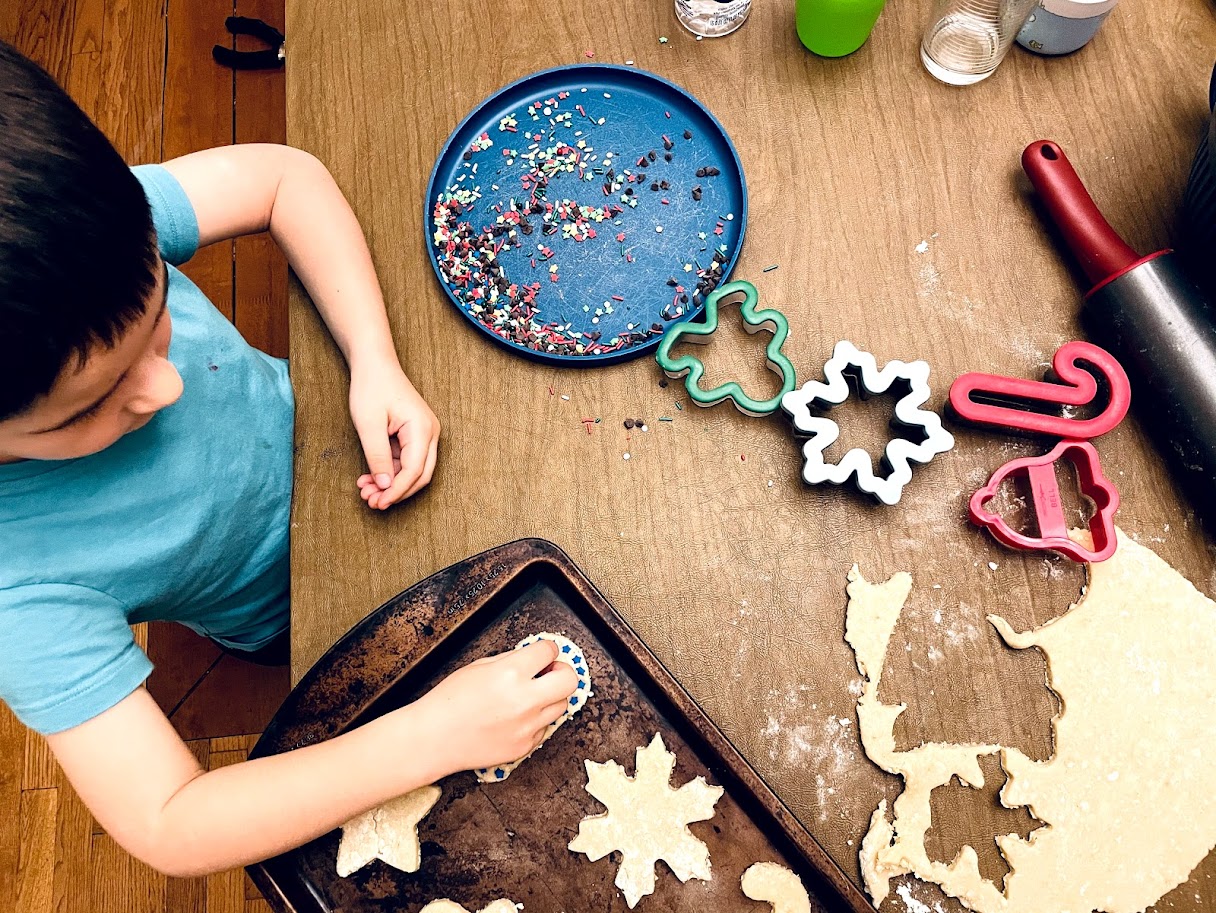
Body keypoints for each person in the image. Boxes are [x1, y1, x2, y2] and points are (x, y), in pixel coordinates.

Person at [0, 39, 578, 876]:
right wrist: (431, 735)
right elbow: (171, 823)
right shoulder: (18, 593)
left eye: (158, 316)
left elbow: (282, 177)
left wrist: (370, 355)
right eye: (93, 404)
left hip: (334, 447)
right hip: (288, 610)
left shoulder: (78, 233)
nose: (164, 388)